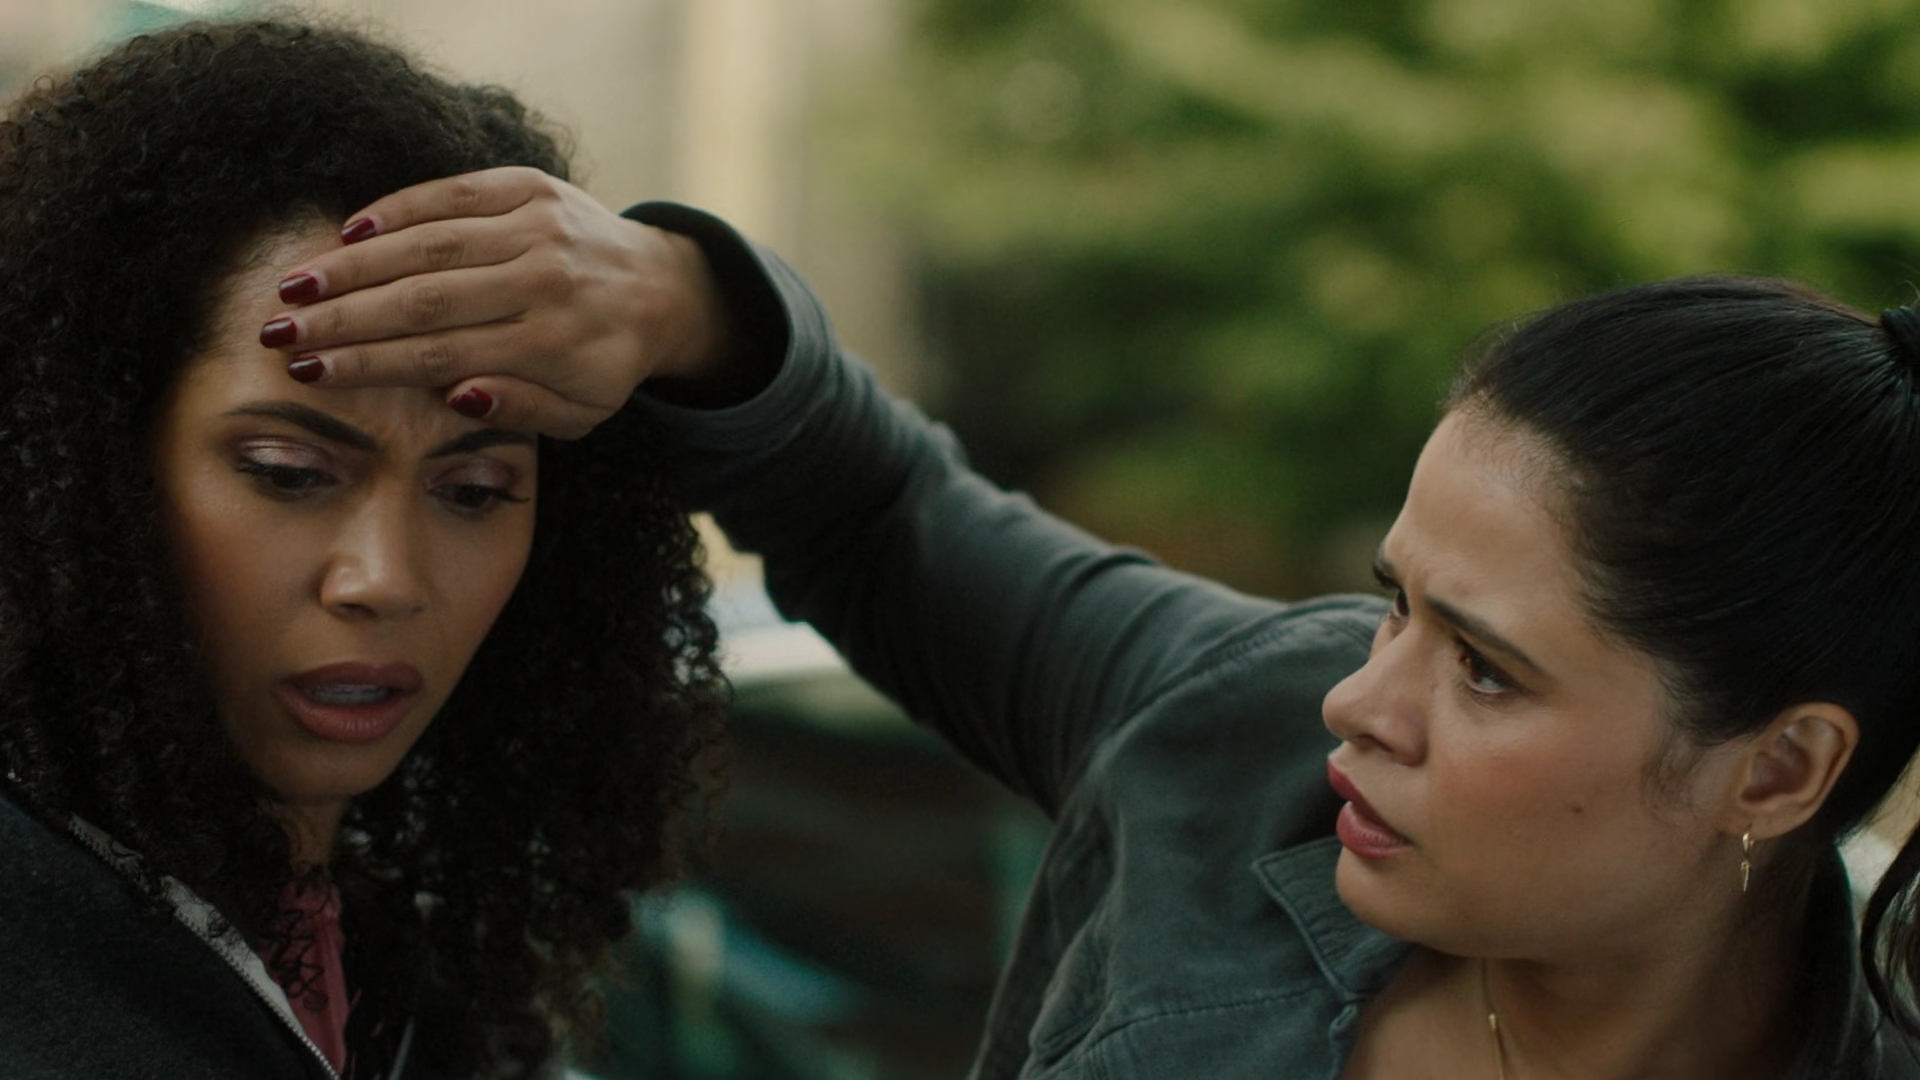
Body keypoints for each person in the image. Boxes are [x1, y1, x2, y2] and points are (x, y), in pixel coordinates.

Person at [266, 154, 1920, 1080]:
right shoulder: (1237, 734)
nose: (1359, 702)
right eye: (1392, 607)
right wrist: (677, 299)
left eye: (1485, 672)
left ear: (1777, 770)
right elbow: (885, 517)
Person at [0, 21, 733, 1080]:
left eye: (474, 491)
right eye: (289, 473)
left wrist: (688, 300)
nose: (384, 579)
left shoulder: (398, 979)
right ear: (80, 469)